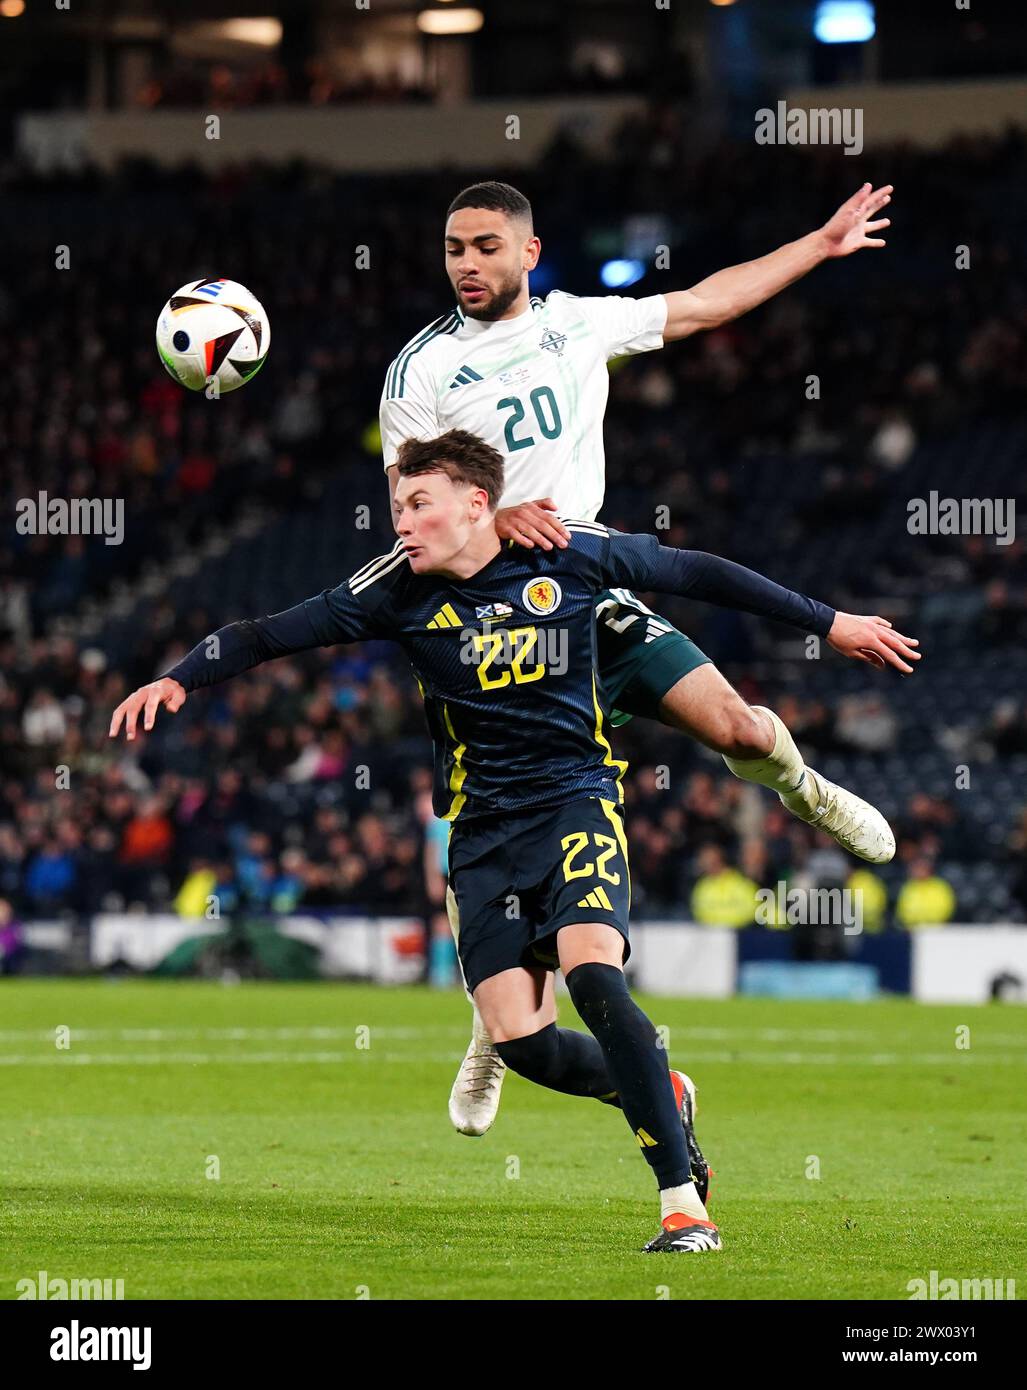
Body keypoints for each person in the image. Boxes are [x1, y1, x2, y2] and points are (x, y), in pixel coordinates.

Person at [110, 430, 919, 1252]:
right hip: (481, 833)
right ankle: (658, 1091)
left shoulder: (568, 554)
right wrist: (178, 677)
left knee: (594, 975)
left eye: (418, 505)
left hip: (574, 802)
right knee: (526, 1048)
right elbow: (262, 633)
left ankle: (682, 1205)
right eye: (396, 507)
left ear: (476, 506)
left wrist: (830, 621)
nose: (402, 523)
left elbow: (697, 572)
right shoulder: (393, 589)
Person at [380, 177, 898, 1136]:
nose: (465, 263)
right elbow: (413, 506)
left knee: (738, 725)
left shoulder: (579, 325)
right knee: (514, 828)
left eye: (486, 246)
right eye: (454, 246)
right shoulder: (419, 372)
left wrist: (817, 245)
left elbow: (709, 299)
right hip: (498, 631)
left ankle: (805, 792)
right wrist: (494, 519)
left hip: (593, 599)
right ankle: (497, 1023)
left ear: (528, 254)